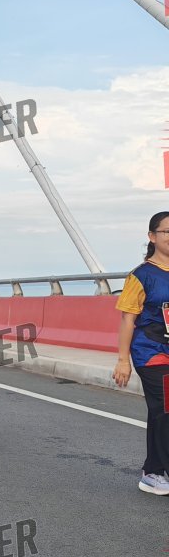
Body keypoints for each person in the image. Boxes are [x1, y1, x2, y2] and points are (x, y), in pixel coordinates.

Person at [113, 211, 169, 494]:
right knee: (166, 408)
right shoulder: (141, 275)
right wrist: (123, 360)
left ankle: (153, 472)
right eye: (167, 232)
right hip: (151, 350)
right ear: (152, 236)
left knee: (161, 410)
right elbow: (128, 320)